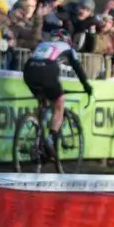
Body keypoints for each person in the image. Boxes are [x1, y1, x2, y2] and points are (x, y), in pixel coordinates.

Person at [21, 18, 94, 157]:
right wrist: (87, 86)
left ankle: (37, 136)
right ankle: (49, 139)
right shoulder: (67, 47)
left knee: (43, 102)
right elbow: (78, 69)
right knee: (59, 101)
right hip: (47, 69)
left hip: (29, 69)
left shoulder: (44, 44)